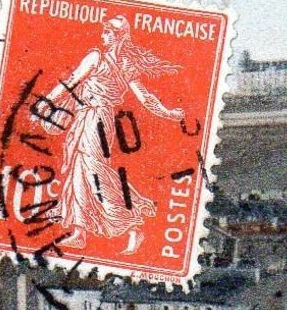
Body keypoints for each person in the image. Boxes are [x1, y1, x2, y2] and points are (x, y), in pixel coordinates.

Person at [30, 15, 186, 255]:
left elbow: (73, 83)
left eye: (107, 33)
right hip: (88, 117)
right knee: (78, 168)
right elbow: (73, 82)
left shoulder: (112, 62)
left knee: (95, 170)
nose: (103, 37)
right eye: (103, 33)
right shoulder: (110, 60)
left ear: (118, 36)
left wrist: (169, 113)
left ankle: (133, 225)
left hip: (98, 120)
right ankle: (80, 231)